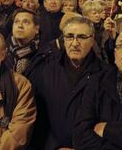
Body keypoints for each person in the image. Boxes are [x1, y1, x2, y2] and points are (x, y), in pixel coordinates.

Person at [28, 16, 107, 149]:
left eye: (82, 37)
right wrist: (54, 147)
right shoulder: (44, 69)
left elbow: (105, 123)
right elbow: (38, 118)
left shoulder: (106, 75)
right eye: (70, 36)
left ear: (92, 39)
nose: (75, 43)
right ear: (63, 39)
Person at [5, 8, 40, 74]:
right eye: (16, 22)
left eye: (25, 22)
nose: (20, 26)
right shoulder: (2, 51)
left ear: (36, 29)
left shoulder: (44, 55)